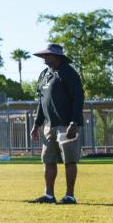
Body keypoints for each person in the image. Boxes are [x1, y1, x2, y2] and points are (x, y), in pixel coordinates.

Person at [29, 44, 84, 204]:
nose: (45, 58)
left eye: (48, 55)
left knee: (69, 160)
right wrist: (36, 125)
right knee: (48, 160)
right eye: (44, 55)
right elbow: (41, 101)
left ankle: (69, 195)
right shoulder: (44, 74)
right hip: (48, 126)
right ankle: (49, 195)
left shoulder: (68, 73)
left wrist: (73, 122)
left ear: (57, 57)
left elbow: (78, 98)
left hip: (66, 125)